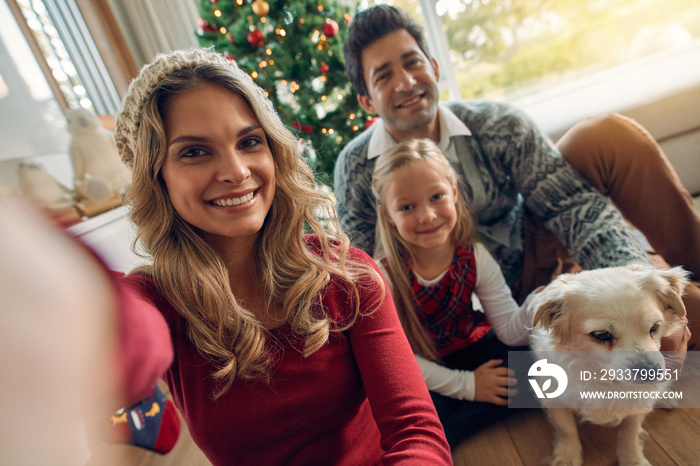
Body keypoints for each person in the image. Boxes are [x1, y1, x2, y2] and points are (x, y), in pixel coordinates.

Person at [109, 48, 452, 465]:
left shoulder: (348, 274)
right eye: (195, 152)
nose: (236, 171)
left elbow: (417, 434)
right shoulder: (154, 299)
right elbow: (104, 319)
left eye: (250, 141)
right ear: (156, 176)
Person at [334, 4, 700, 347]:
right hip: (452, 316)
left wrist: (636, 290)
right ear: (366, 101)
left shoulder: (498, 124)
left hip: (534, 262)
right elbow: (362, 279)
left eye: (412, 63)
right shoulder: (355, 168)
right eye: (384, 76)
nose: (405, 82)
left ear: (434, 67)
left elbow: (574, 207)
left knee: (603, 136)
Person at [372, 138, 534, 446]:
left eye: (436, 197)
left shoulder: (475, 258)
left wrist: (538, 302)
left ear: (454, 193)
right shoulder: (384, 277)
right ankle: (477, 410)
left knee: (545, 366)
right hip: (423, 371)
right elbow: (401, 361)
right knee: (415, 420)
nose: (427, 216)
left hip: (473, 348)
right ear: (388, 216)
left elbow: (511, 332)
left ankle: (648, 381)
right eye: (407, 207)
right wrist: (469, 386)